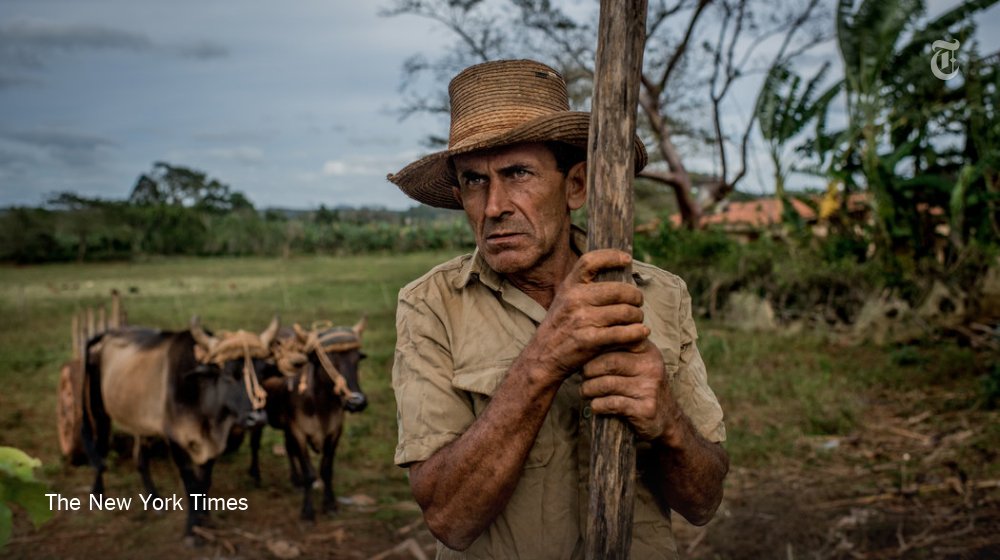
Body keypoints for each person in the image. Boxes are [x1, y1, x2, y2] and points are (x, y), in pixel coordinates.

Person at [387, 59, 728, 560]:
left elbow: (704, 501)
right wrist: (544, 358)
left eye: (518, 174)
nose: (494, 206)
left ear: (576, 187)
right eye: (475, 182)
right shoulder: (431, 305)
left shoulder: (658, 294)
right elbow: (449, 519)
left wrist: (669, 423)